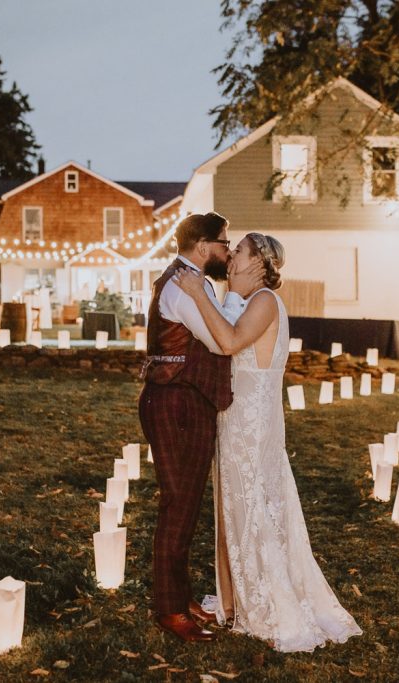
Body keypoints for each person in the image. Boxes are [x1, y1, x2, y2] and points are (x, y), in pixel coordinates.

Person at [173, 233, 363, 653]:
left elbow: (228, 342)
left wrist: (196, 294)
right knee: (232, 505)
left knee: (251, 505)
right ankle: (234, 599)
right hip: (236, 418)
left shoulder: (263, 302)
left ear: (258, 260)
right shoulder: (245, 297)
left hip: (252, 424)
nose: (232, 254)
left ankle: (265, 600)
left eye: (239, 249)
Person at [138, 212, 263, 642]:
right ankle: (170, 610)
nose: (228, 252)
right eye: (224, 244)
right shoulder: (186, 284)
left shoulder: (186, 280)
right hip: (178, 403)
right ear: (204, 246)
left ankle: (179, 595)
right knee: (179, 505)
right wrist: (235, 297)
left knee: (185, 505)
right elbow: (218, 341)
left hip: (180, 399)